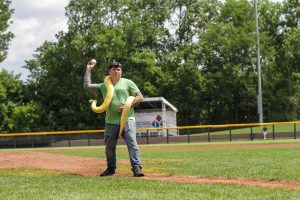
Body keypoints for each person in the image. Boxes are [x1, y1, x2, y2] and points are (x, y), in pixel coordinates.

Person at [84, 59, 144, 177]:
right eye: (114, 69)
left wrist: (128, 105)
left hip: (128, 120)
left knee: (132, 144)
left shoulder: (128, 82)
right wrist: (88, 69)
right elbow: (87, 86)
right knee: (109, 147)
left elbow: (140, 97)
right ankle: (111, 168)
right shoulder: (104, 85)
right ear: (109, 72)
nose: (117, 71)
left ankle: (137, 168)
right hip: (111, 122)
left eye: (119, 69)